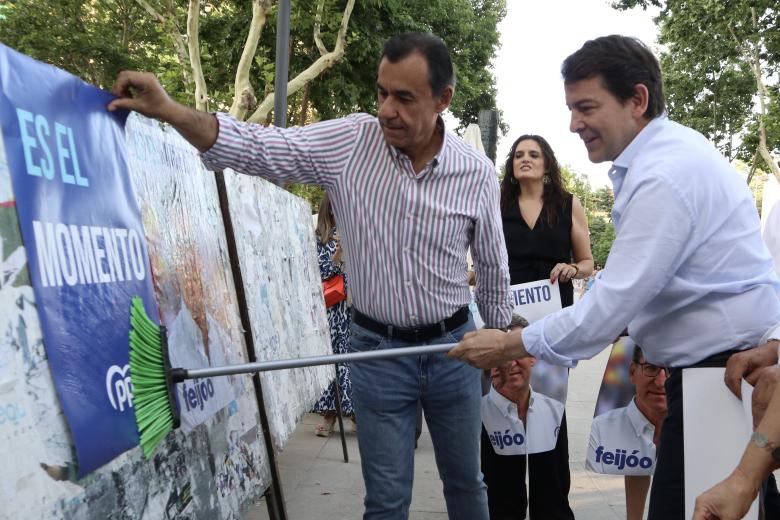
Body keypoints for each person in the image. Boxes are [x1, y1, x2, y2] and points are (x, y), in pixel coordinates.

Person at [109, 32, 512, 520]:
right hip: (377, 355)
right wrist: (173, 111)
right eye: (381, 92)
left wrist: (505, 341)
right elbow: (259, 146)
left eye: (404, 97)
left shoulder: (474, 173)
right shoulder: (349, 143)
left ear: (443, 99)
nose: (387, 109)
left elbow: (492, 267)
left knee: (467, 487)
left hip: (454, 352)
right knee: (385, 501)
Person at [450, 34, 780, 519]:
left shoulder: (663, 175)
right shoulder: (662, 161)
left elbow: (605, 311)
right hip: (712, 377)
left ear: (637, 99)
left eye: (586, 107)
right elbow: (618, 288)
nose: (573, 123)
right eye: (570, 108)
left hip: (719, 379)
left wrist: (505, 345)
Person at [489, 133, 593, 518]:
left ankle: (551, 509)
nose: (525, 160)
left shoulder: (568, 205)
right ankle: (503, 509)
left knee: (548, 413)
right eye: (518, 155)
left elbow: (587, 263)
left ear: (547, 163)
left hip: (552, 328)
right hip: (504, 324)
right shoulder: (496, 204)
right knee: (502, 407)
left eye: (534, 154)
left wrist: (572, 267)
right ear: (511, 165)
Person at [480, 355, 568, 519]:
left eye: (517, 354)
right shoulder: (476, 413)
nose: (510, 364)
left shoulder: (554, 409)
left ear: (533, 358)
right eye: (502, 358)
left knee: (550, 471)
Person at [587, 345, 667, 520]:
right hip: (644, 340)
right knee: (633, 446)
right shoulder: (603, 426)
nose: (661, 381)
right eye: (652, 368)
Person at [311, 193, 356, 436]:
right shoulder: (320, 238)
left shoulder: (352, 232)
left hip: (353, 310)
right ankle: (329, 417)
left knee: (350, 363)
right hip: (331, 311)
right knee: (332, 363)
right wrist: (338, 254)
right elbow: (321, 271)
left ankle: (353, 413)